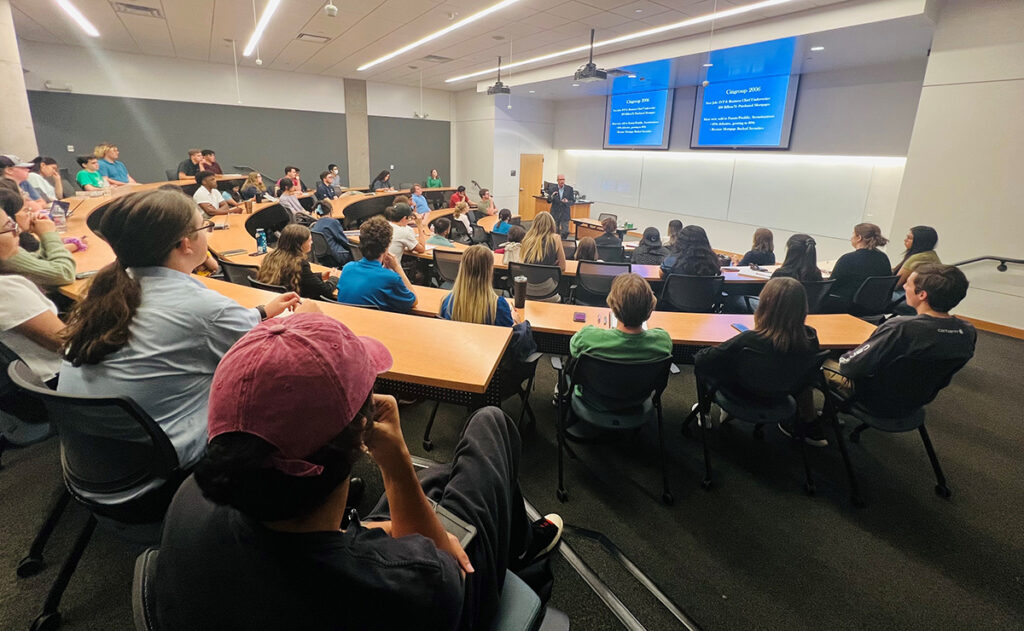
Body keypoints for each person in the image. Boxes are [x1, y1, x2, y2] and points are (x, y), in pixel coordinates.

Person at [150, 312, 563, 629]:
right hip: (447, 602)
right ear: (359, 440)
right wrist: (398, 462)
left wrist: (379, 529)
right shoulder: (413, 580)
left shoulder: (192, 497)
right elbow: (442, 568)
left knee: (435, 479)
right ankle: (522, 544)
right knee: (489, 424)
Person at [57, 190, 308, 503]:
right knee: (283, 395)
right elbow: (278, 361)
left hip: (95, 465)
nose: (208, 234)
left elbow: (201, 326)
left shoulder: (107, 292)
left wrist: (259, 313)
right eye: (205, 227)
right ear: (184, 243)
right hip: (157, 480)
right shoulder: (205, 310)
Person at [694, 277, 825, 444]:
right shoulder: (811, 338)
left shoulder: (750, 339)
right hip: (781, 395)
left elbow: (702, 360)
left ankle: (703, 411)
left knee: (708, 365)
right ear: (802, 307)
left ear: (764, 305)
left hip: (742, 394)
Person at [827, 263, 976, 406]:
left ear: (922, 294)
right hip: (916, 400)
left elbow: (850, 368)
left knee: (816, 361)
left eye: (909, 284)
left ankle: (815, 420)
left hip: (871, 397)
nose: (904, 286)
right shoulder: (968, 331)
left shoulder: (899, 328)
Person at [0, 217, 63, 443]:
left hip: (25, 391)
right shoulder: (5, 290)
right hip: (55, 385)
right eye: (10, 228)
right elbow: (69, 345)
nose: (18, 232)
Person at [335, 216, 418, 312]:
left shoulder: (347, 268)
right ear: (387, 246)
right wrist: (397, 267)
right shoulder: (391, 278)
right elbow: (414, 301)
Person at [0, 188, 75, 289]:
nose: (31, 215)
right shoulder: (6, 251)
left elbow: (37, 260)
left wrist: (44, 236)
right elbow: (65, 273)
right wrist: (49, 234)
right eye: (26, 210)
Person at [824, 223, 892, 312]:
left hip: (847, 306)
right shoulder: (883, 258)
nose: (851, 237)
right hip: (874, 308)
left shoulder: (848, 259)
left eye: (853, 234)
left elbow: (831, 285)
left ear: (859, 238)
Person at [257, 224, 337, 300]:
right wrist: (333, 278)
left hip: (272, 299)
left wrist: (320, 276)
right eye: (309, 241)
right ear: (299, 244)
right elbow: (325, 291)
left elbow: (302, 277)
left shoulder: (271, 256)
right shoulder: (299, 264)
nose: (312, 243)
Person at [440, 245, 514, 326]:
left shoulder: (447, 302)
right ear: (489, 271)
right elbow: (508, 335)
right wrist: (515, 321)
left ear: (462, 269)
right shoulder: (498, 306)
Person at [311, 203, 353, 268]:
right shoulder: (333, 222)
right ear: (330, 211)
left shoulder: (316, 224)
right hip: (337, 256)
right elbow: (344, 241)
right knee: (357, 252)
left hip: (323, 258)